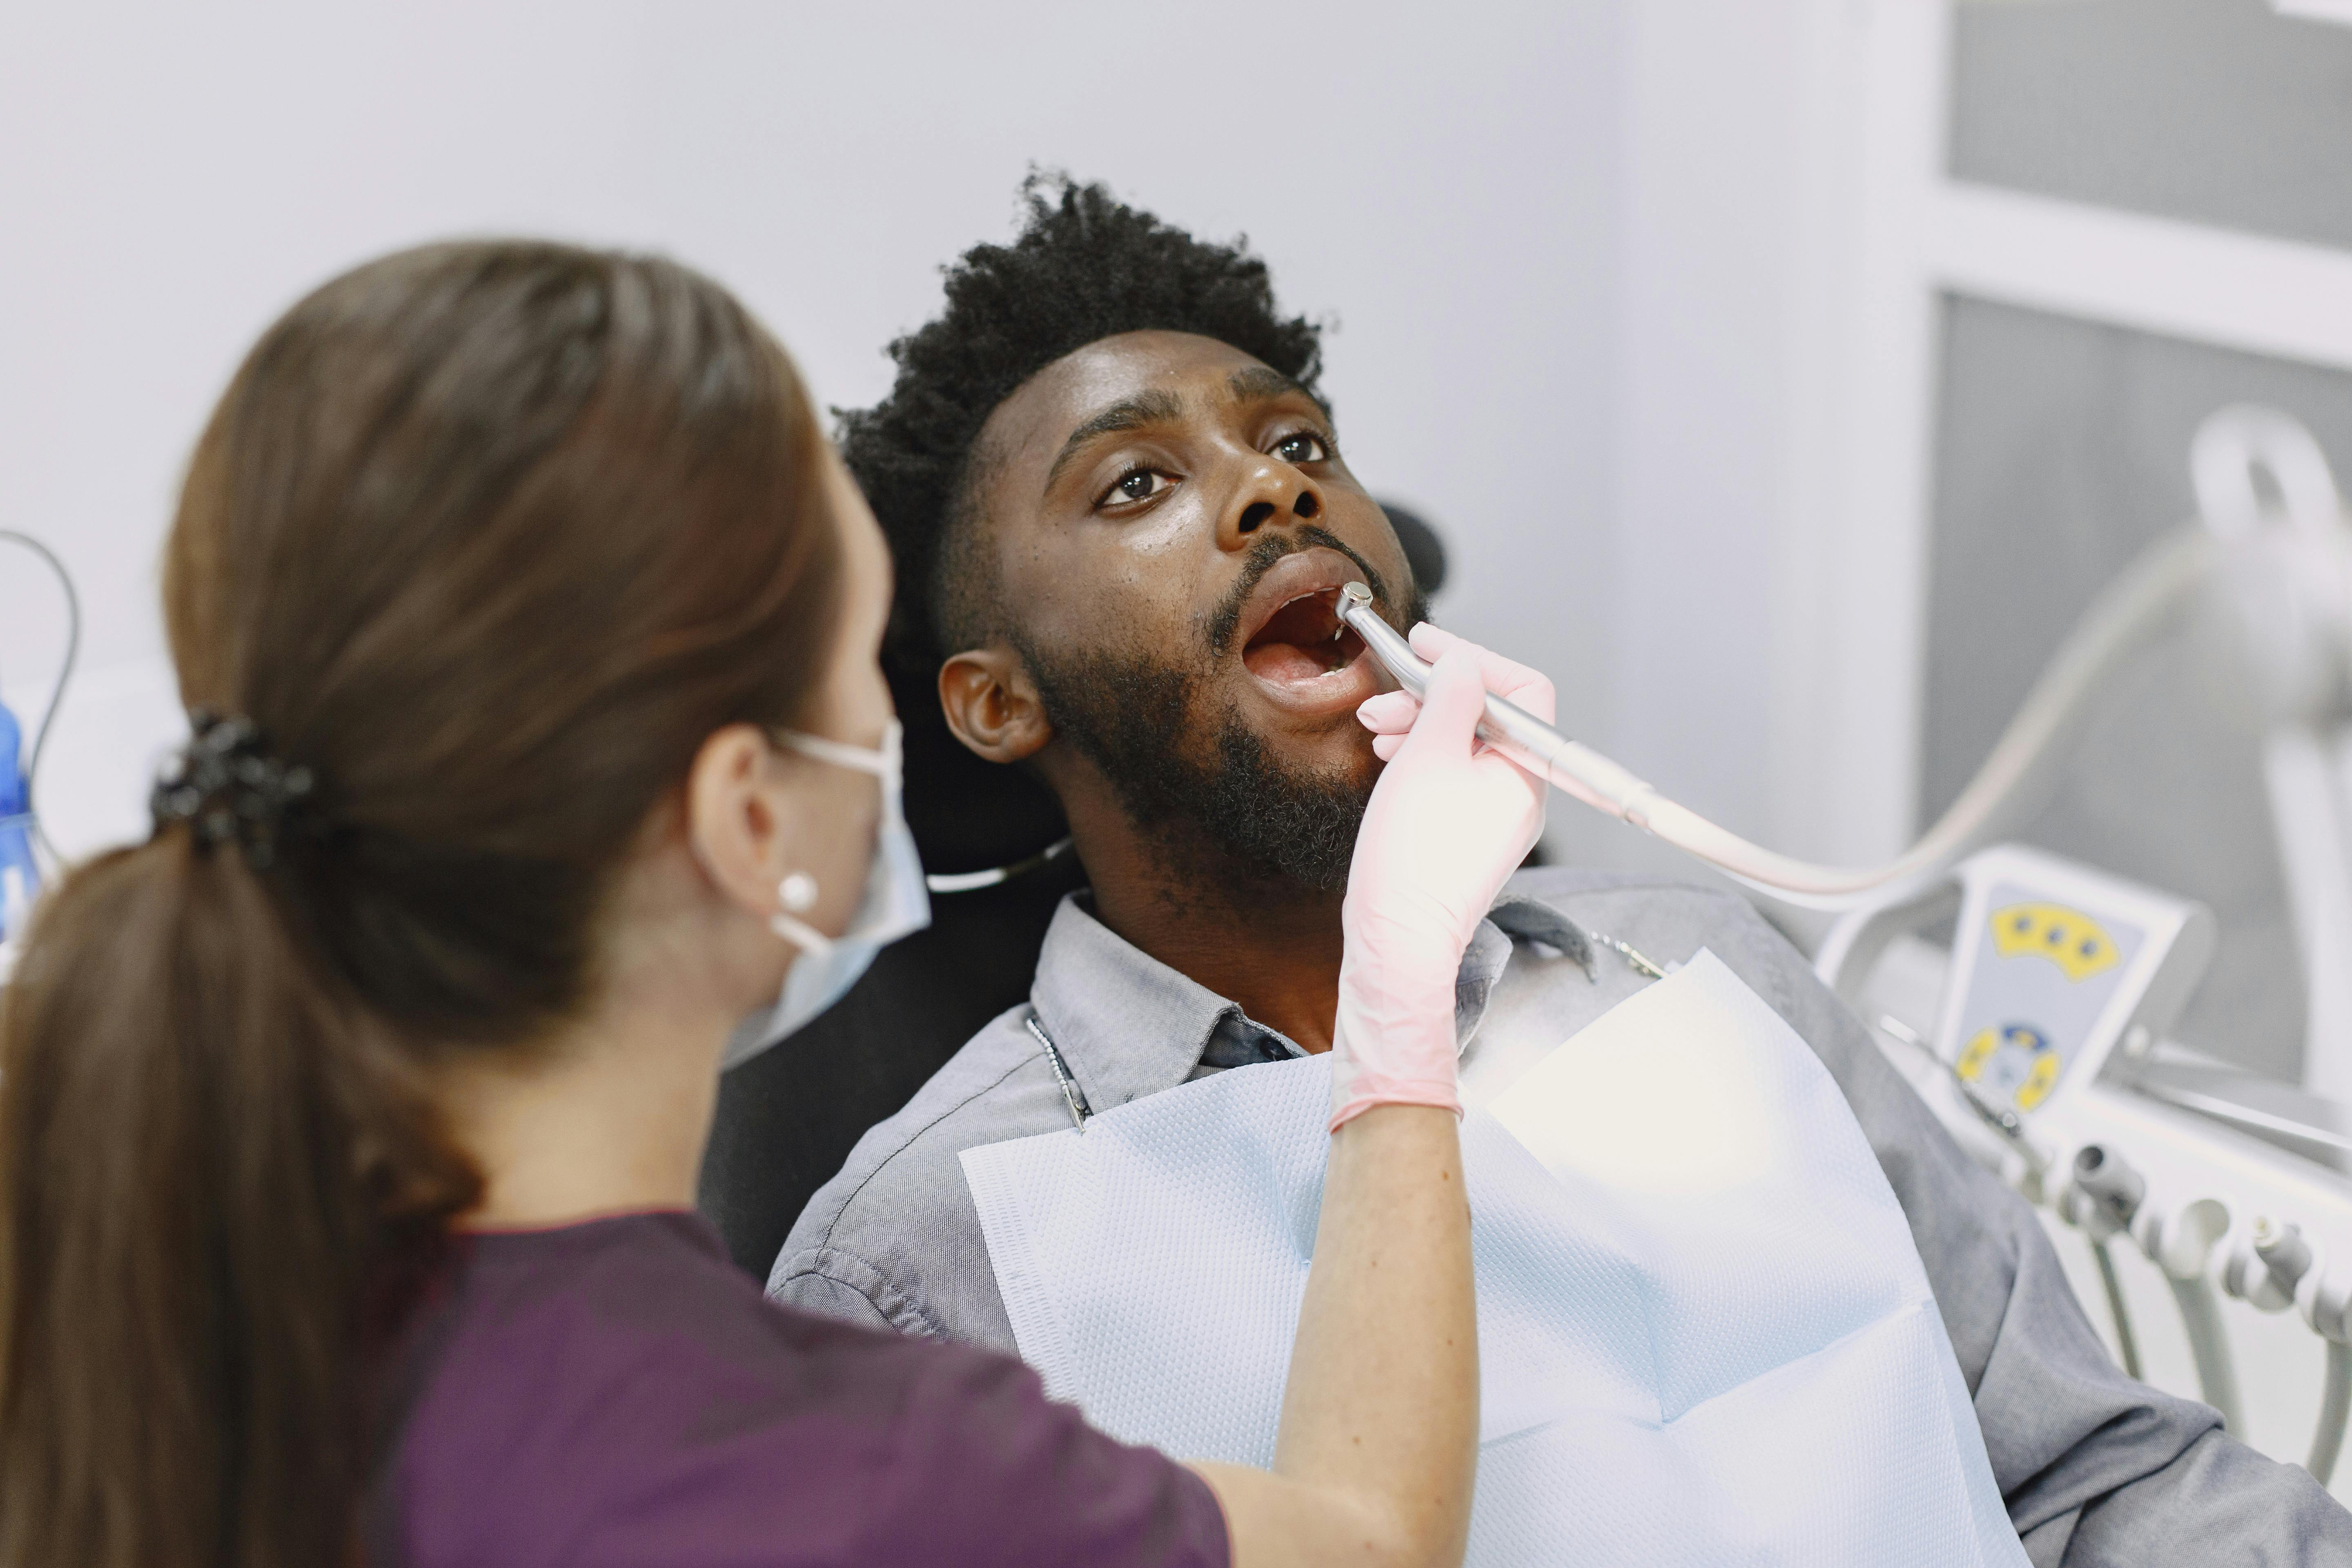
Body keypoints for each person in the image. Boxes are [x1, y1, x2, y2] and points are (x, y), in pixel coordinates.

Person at [768, 177, 2352, 1563]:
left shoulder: (1701, 957)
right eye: (1137, 484)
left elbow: (2093, 1478)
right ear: (996, 697)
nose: (1275, 488)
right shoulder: (920, 1256)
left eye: (1299, 440)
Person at [0, 240, 1535, 1568]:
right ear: (752, 818)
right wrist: (1393, 1007)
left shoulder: (131, 1321)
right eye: (859, 667)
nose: (1272, 490)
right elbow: (1368, 1542)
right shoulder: (856, 1463)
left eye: (1295, 443)